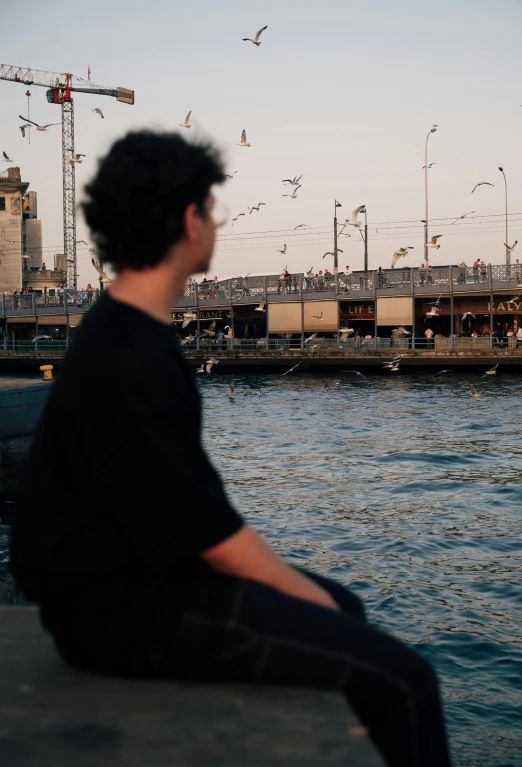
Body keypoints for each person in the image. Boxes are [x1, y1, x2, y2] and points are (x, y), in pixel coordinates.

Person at [10, 131, 451, 767]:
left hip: (107, 596)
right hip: (127, 615)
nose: (214, 223)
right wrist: (311, 599)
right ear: (190, 220)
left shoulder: (114, 332)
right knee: (407, 683)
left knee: (345, 609)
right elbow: (209, 532)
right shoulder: (135, 356)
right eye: (211, 209)